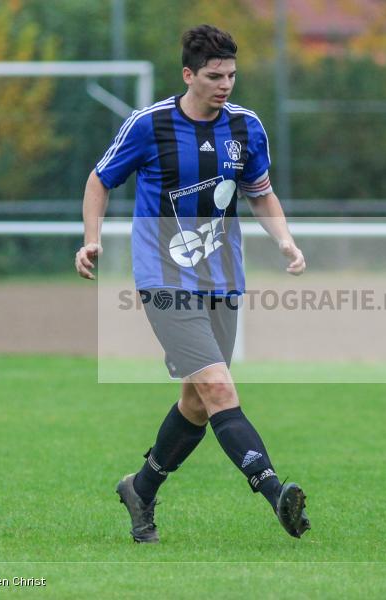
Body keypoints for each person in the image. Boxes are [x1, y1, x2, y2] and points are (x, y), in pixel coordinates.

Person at [76, 24, 310, 543]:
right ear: (189, 75)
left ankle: (140, 488)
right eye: (213, 75)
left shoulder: (247, 128)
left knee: (198, 402)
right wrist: (91, 239)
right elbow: (99, 180)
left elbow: (260, 192)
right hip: (164, 278)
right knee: (220, 388)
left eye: (231, 74)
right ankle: (276, 494)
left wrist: (285, 240)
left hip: (223, 278)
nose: (225, 84)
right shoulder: (150, 125)